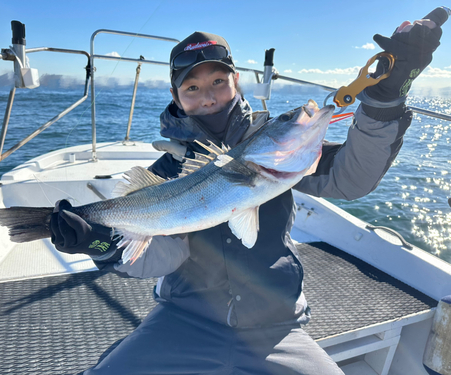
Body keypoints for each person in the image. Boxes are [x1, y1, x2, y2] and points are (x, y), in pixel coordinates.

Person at [50, 19, 442, 375]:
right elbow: (161, 256)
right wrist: (97, 242)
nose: (208, 96)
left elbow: (351, 180)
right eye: (192, 87)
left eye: (218, 81)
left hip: (276, 326)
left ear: (236, 81)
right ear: (175, 95)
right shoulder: (167, 171)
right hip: (182, 319)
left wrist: (384, 101)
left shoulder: (281, 153)